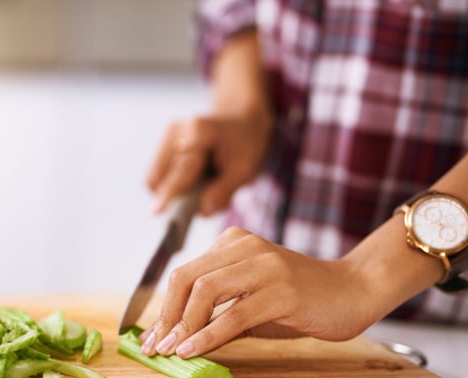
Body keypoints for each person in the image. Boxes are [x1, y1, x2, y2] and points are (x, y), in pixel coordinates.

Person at [140, 1, 468, 359]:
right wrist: (245, 108)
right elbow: (232, 11)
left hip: (442, 335)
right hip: (254, 316)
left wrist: (363, 277)